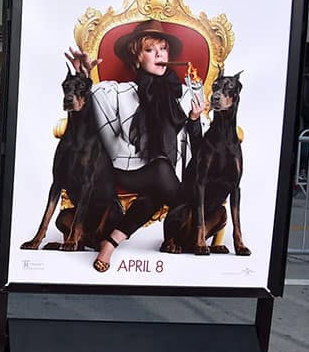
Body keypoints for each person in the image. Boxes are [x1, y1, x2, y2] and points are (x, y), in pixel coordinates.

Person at [67, 18, 205, 272]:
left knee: (156, 191)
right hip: (127, 169)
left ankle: (110, 243)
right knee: (170, 181)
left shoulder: (182, 94)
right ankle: (187, 215)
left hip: (162, 175)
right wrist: (82, 76)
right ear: (137, 57)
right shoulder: (118, 93)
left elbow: (197, 145)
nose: (160, 54)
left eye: (163, 49)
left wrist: (194, 119)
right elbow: (88, 114)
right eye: (150, 50)